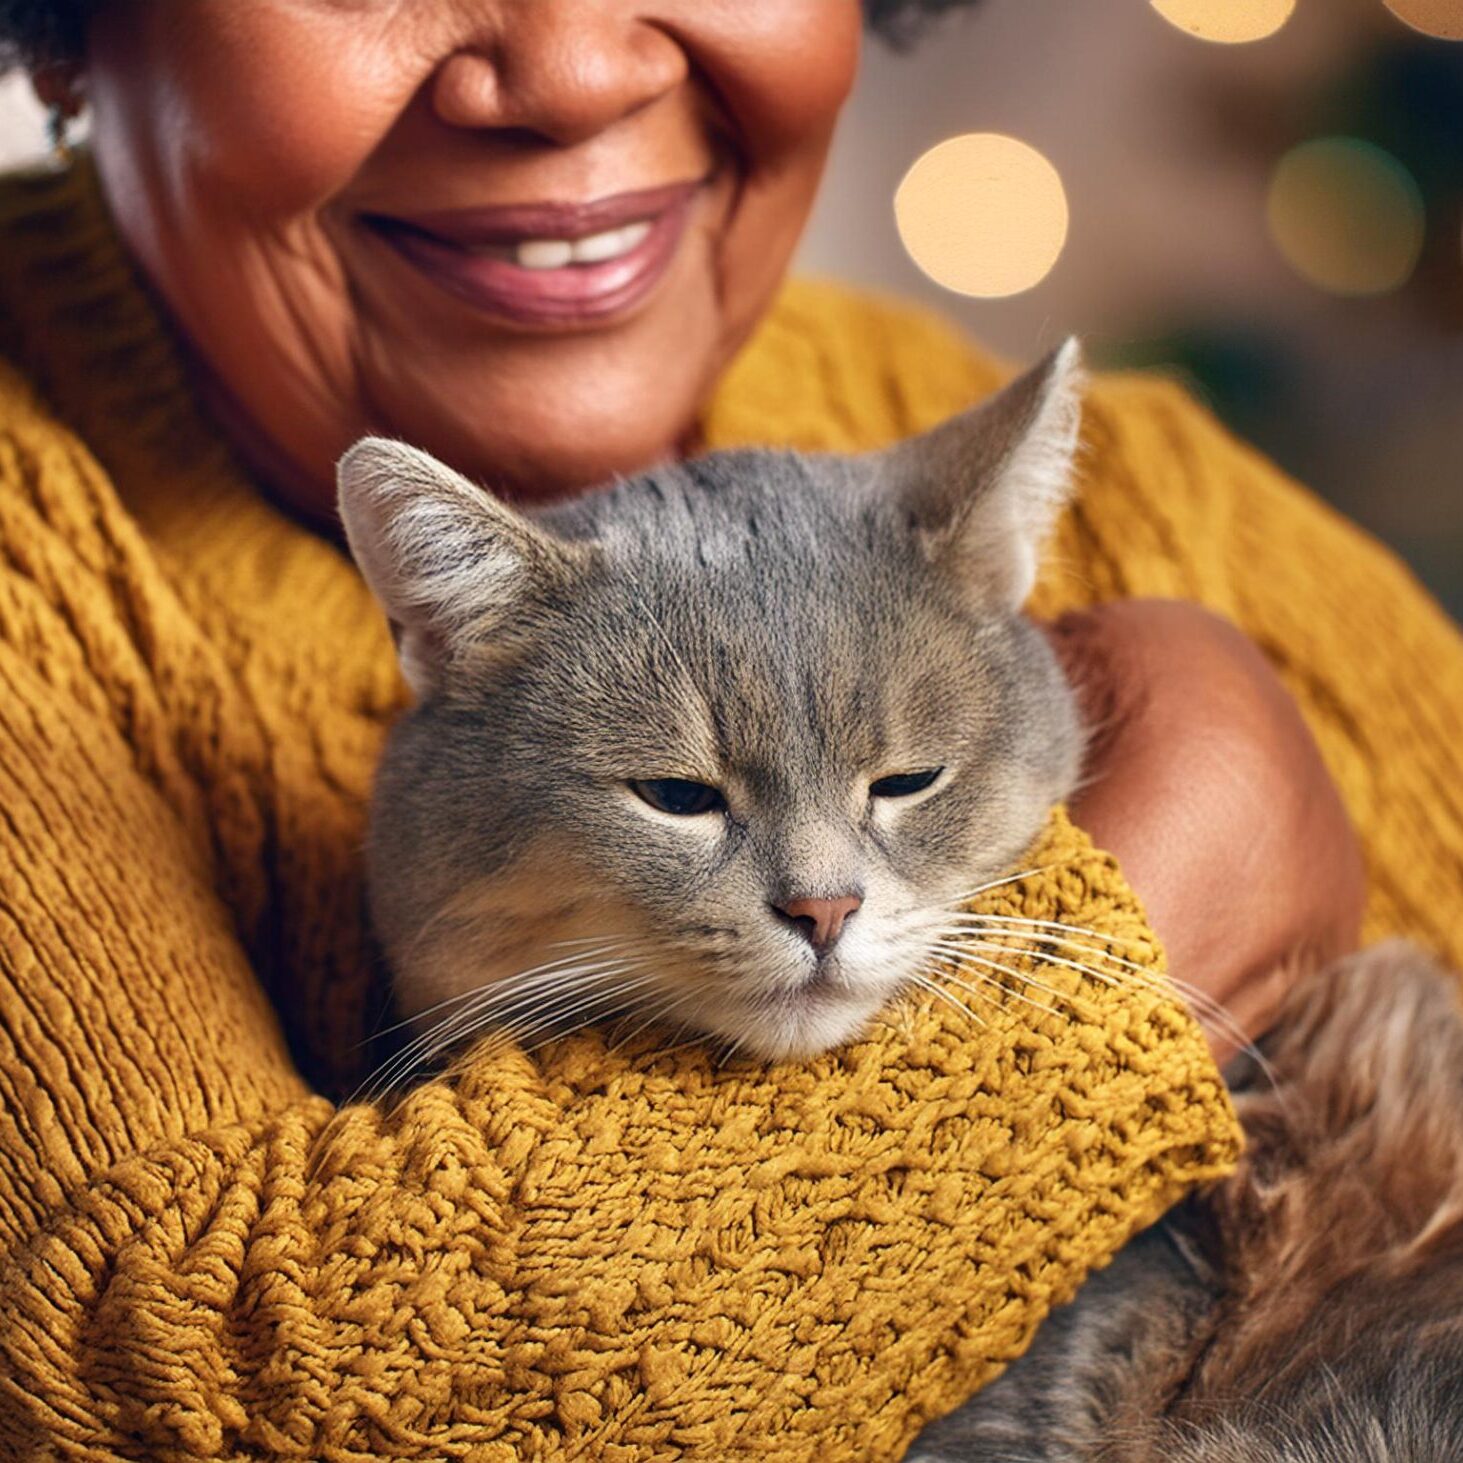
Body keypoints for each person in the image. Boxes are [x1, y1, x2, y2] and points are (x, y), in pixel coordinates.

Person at [0, 1, 1454, 1455]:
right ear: (74, 28)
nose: (574, 74)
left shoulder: (1125, 470)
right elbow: (192, 1407)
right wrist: (1131, 951)